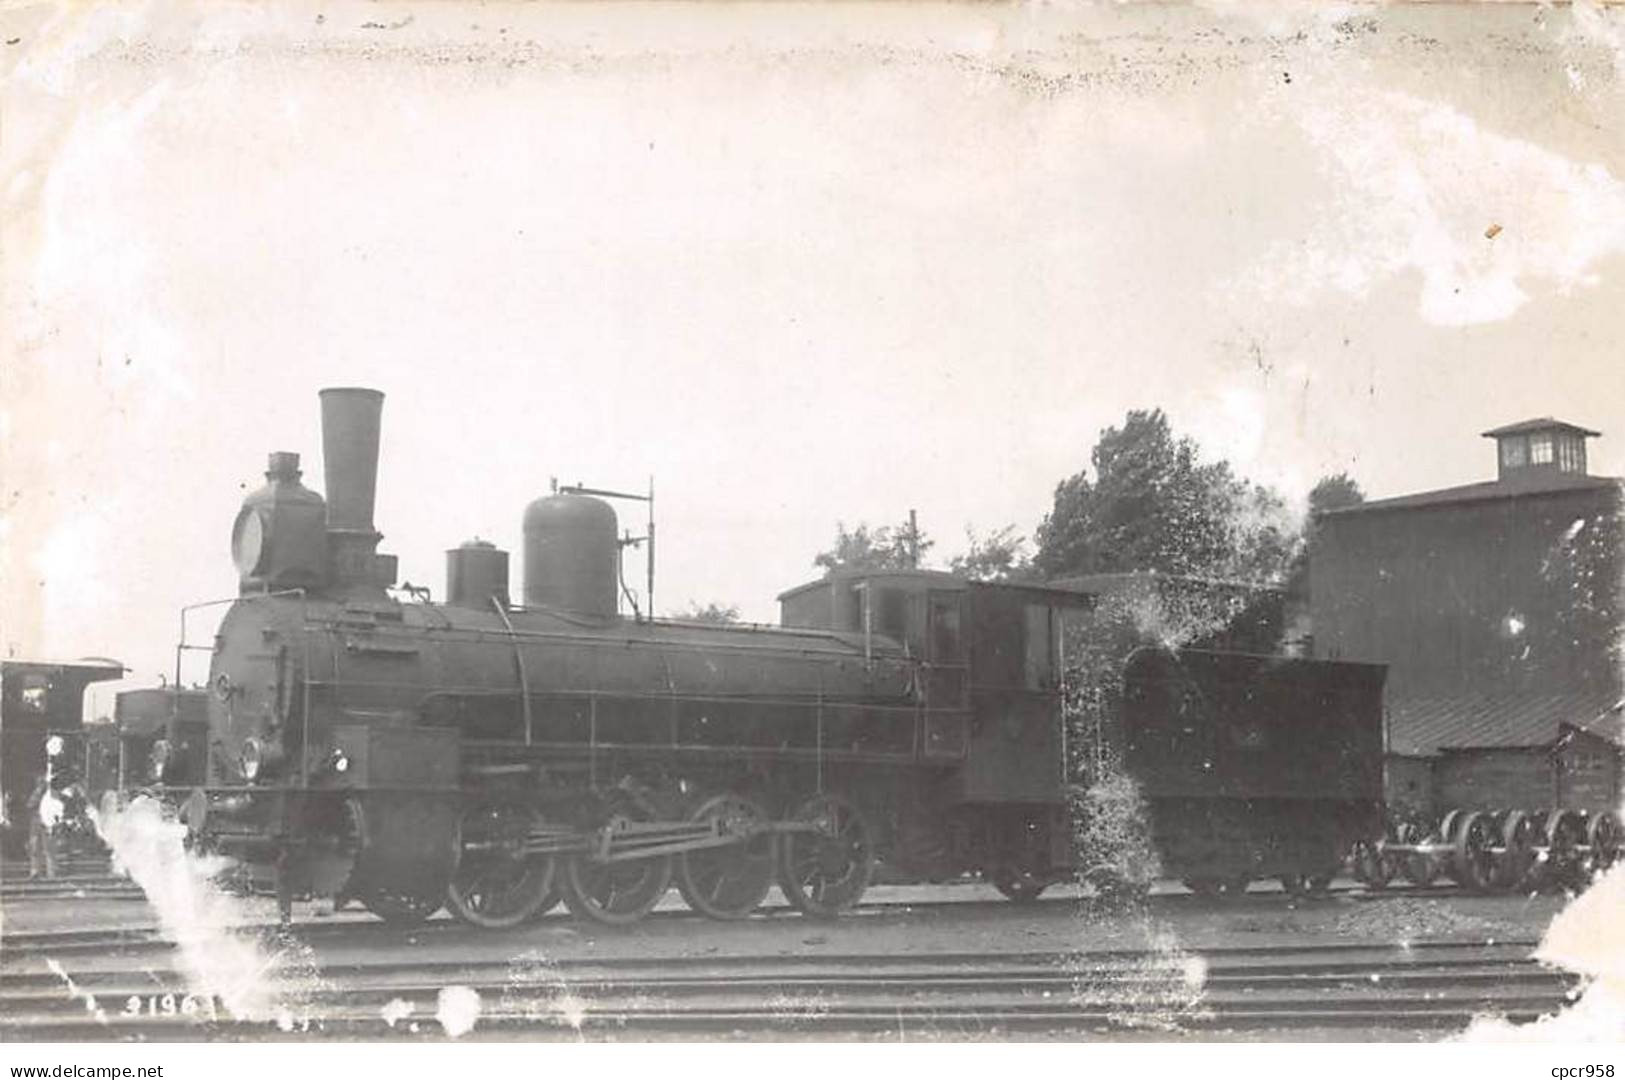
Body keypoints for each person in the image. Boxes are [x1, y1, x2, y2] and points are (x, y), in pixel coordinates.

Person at [26, 776, 61, 879]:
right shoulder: (36, 794)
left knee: (49, 849)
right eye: (39, 783)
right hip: (36, 823)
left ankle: (51, 872)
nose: (41, 785)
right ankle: (35, 871)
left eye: (43, 783)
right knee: (34, 848)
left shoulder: (53, 794)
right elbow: (29, 804)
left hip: (48, 824)